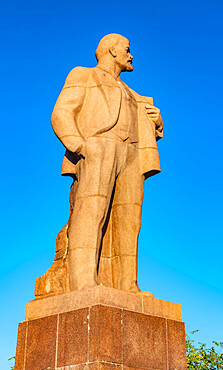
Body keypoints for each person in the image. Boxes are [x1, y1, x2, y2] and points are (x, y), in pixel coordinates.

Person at [51, 33, 163, 293]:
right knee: (91, 213)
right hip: (98, 147)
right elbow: (61, 112)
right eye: (127, 49)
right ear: (112, 51)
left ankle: (128, 285)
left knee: (129, 221)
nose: (131, 55)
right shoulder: (83, 75)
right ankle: (83, 283)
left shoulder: (131, 92)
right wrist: (79, 145)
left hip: (132, 155)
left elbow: (149, 126)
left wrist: (157, 122)